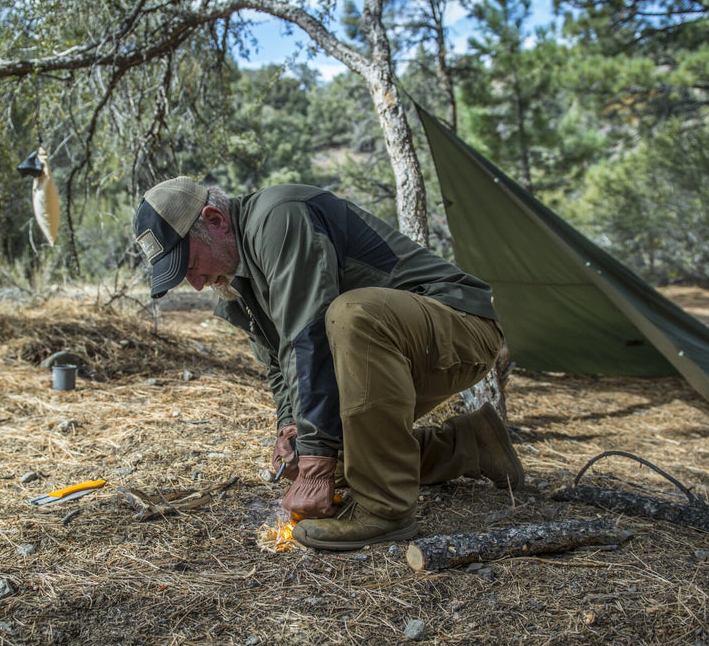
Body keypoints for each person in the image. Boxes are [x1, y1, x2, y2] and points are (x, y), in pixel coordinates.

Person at [134, 177, 526, 550]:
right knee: (339, 463)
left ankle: (385, 510)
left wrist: (315, 462)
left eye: (189, 265)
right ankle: (471, 444)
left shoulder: (278, 217)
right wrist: (291, 429)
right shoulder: (236, 280)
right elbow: (280, 364)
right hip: (392, 351)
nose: (197, 284)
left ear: (214, 220)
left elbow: (311, 335)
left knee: (351, 315)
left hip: (459, 327)